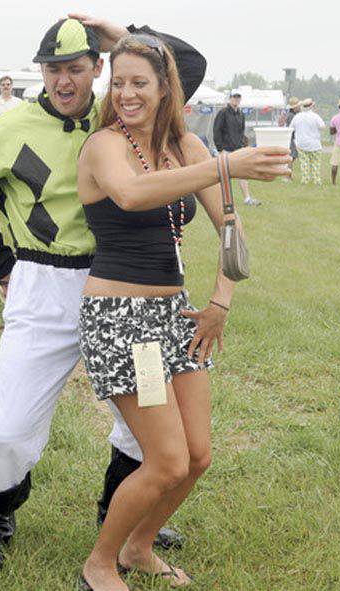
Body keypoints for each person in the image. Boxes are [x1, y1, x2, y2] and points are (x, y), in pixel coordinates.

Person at [0, 16, 209, 573]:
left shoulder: (117, 107)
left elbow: (182, 65)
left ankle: (123, 515)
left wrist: (122, 32)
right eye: (53, 69)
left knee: (143, 424)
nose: (64, 81)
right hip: (43, 286)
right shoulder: (5, 128)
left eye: (76, 68)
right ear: (39, 72)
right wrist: (2, 269)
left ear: (98, 67)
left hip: (121, 289)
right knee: (12, 423)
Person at [76, 35, 290, 591]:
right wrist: (225, 164)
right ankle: (99, 564)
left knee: (198, 457)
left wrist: (221, 299)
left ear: (166, 87)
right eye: (117, 82)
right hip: (124, 322)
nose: (125, 93)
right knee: (167, 461)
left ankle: (138, 547)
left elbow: (229, 226)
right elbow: (130, 194)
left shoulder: (187, 147)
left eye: (139, 83)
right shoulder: (104, 145)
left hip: (174, 318)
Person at [213, 89, 260, 205]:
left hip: (238, 149)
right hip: (226, 150)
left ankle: (247, 198)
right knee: (224, 176)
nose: (236, 99)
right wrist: (220, 149)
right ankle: (222, 200)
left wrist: (243, 145)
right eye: (234, 97)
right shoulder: (223, 113)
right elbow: (216, 131)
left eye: (238, 97)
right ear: (230, 98)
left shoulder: (241, 114)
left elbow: (241, 132)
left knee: (242, 174)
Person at [291, 98, 325, 185]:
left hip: (301, 143)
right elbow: (322, 126)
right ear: (311, 106)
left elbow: (291, 128)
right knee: (315, 164)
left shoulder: (297, 116)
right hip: (314, 144)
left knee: (304, 163)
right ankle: (316, 180)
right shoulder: (315, 116)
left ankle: (305, 180)